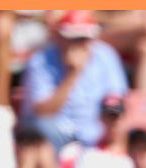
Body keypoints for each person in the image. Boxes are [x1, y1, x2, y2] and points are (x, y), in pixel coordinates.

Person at [21, 12, 131, 150]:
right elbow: (43, 113)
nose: (80, 44)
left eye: (85, 38)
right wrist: (73, 73)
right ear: (60, 37)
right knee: (42, 128)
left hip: (94, 135)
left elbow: (117, 101)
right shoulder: (40, 61)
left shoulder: (105, 56)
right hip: (55, 135)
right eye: (74, 38)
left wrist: (113, 133)